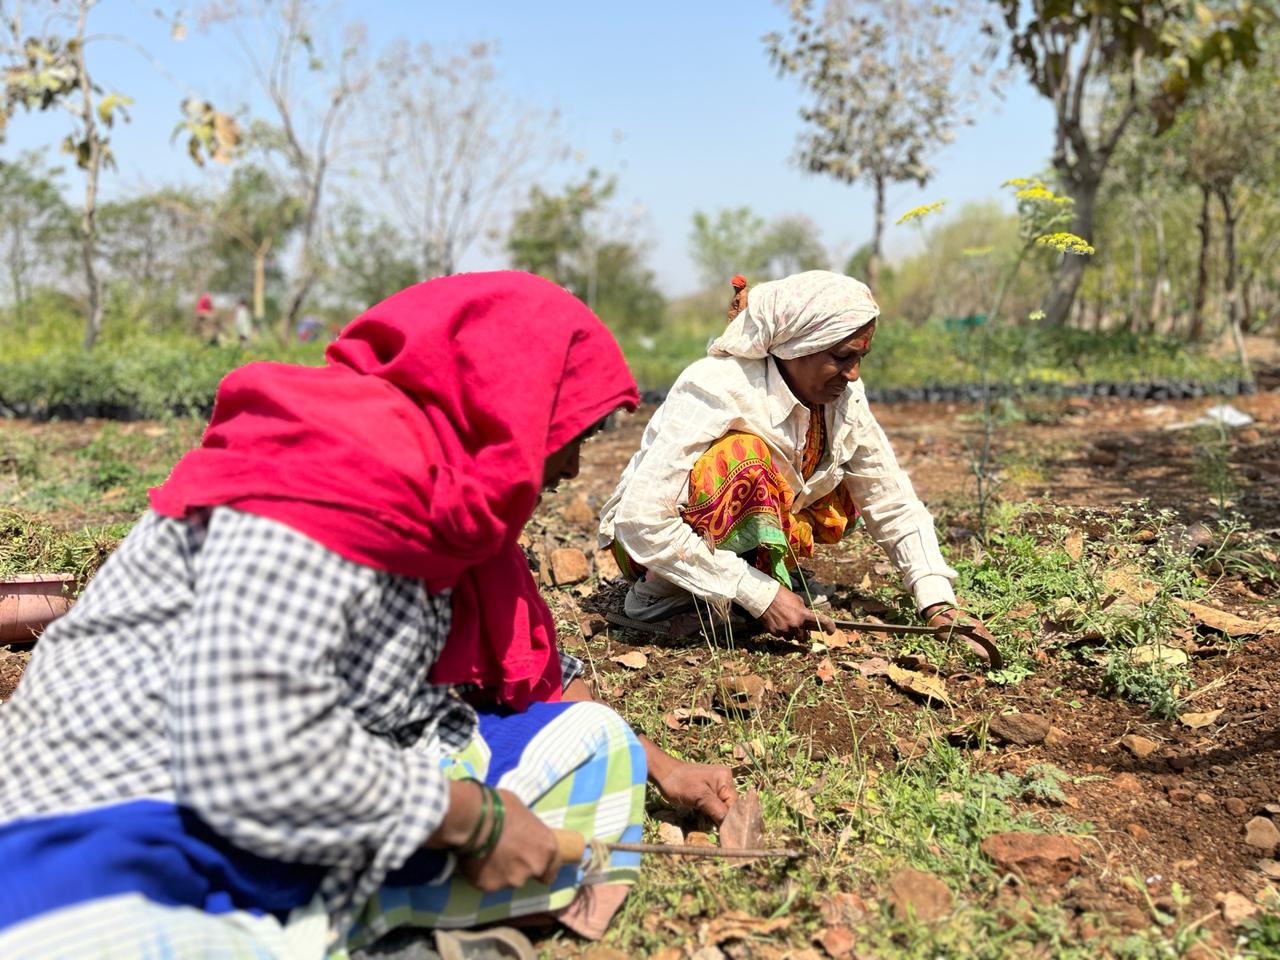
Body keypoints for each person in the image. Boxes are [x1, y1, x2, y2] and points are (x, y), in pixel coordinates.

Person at [0, 272, 736, 959]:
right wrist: (473, 821)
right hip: (136, 813)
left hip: (301, 795)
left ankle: (354, 921)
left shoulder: (447, 509)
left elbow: (525, 693)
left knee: (593, 744)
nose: (571, 469)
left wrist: (657, 765)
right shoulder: (326, 469)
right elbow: (249, 742)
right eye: (567, 433)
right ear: (503, 401)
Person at [599, 270, 997, 650]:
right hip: (651, 552)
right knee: (743, 457)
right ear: (796, 347)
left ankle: (740, 585)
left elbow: (888, 496)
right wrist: (761, 595)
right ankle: (661, 597)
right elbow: (641, 519)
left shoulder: (844, 401)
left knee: (840, 479)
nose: (854, 374)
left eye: (861, 358)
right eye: (842, 357)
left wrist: (937, 601)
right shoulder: (717, 386)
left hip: (724, 546)